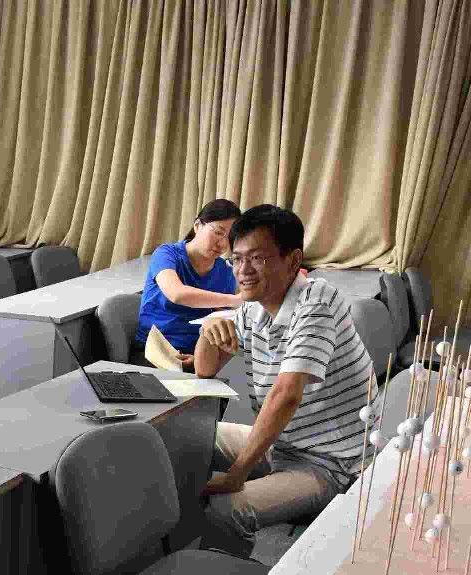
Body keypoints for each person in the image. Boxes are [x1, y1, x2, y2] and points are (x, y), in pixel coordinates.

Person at [193, 204, 374, 555]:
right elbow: (205, 369)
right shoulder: (253, 308)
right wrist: (208, 331)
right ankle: (176, 539)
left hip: (331, 463)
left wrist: (237, 474)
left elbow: (286, 395)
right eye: (236, 259)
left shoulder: (318, 302)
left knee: (227, 508)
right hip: (284, 444)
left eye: (257, 259)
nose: (243, 271)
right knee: (189, 434)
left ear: (293, 261)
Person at [133, 198, 243, 367]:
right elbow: (177, 294)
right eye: (218, 232)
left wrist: (199, 358)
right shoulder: (166, 254)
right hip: (155, 351)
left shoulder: (225, 271)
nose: (222, 243)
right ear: (198, 225)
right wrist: (235, 299)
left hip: (196, 355)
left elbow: (222, 323)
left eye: (230, 238)